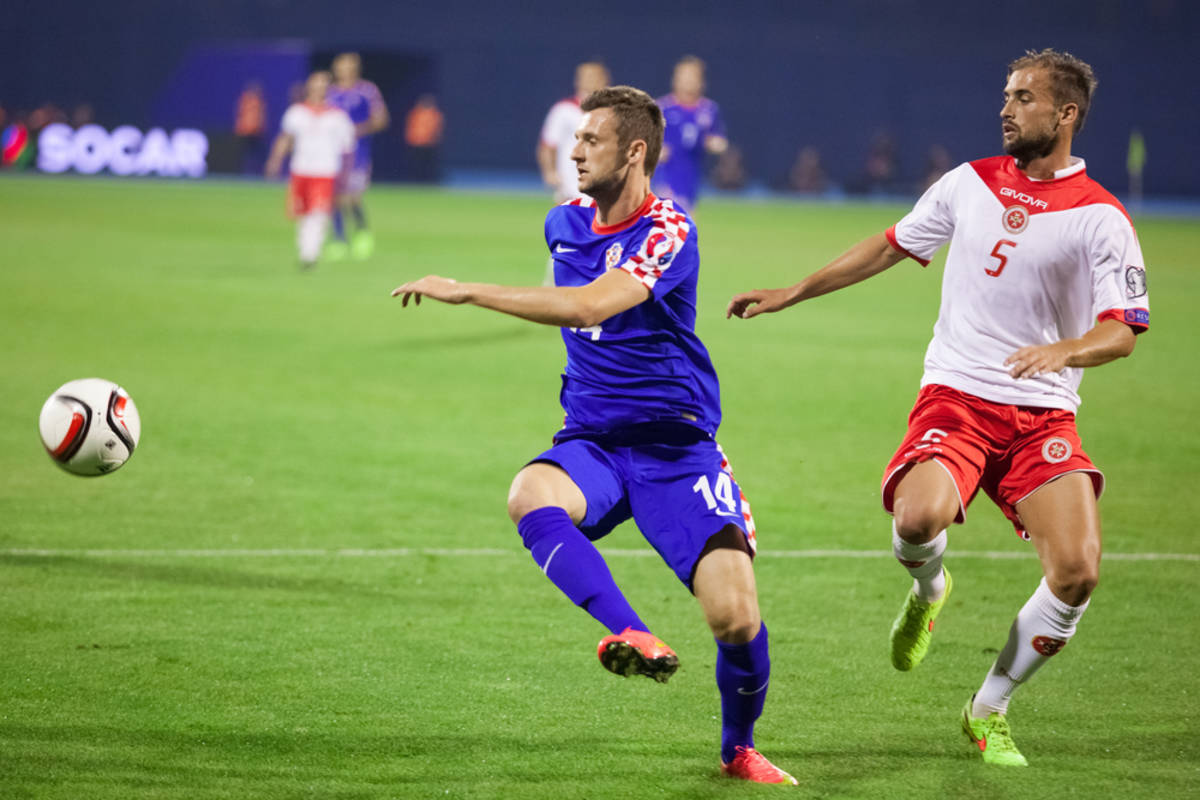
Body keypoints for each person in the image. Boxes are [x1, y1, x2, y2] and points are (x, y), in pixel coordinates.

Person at [727, 49, 1148, 767]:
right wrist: (793, 291)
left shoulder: (1102, 218)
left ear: (1066, 114)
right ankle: (930, 587)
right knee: (917, 519)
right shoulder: (969, 182)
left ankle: (989, 709)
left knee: (1078, 571)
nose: (1006, 108)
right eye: (1006, 95)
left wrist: (1066, 350)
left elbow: (1123, 331)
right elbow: (889, 247)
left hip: (1042, 413)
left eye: (1023, 98)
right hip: (958, 395)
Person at [393, 86, 796, 785]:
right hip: (595, 441)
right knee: (529, 492)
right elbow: (577, 311)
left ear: (634, 151)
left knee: (735, 619)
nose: (573, 151)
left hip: (676, 449)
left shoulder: (670, 230)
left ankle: (738, 749)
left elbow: (589, 306)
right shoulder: (562, 222)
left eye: (590, 140)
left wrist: (467, 289)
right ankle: (630, 629)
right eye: (575, 139)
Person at [265, 71, 355, 270]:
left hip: (326, 171)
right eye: (316, 83)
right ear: (309, 86)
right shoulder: (296, 112)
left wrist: (346, 174)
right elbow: (286, 137)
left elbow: (348, 147)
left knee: (319, 212)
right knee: (302, 212)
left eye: (324, 84)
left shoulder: (338, 116)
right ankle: (305, 249)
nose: (319, 88)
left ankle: (310, 254)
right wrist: (275, 160)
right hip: (301, 169)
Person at [326, 52, 389, 260]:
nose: (344, 70)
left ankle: (362, 232)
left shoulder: (367, 90)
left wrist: (355, 130)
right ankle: (339, 239)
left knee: (352, 197)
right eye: (341, 66)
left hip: (357, 153)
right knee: (335, 197)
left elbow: (381, 119)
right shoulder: (330, 93)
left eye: (349, 66)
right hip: (332, 153)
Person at [653, 56, 728, 213]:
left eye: (693, 76)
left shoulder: (709, 110)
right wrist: (656, 150)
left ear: (702, 81)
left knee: (687, 219)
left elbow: (720, 141)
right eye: (684, 76)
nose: (688, 81)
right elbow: (646, 141)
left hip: (692, 177)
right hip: (665, 177)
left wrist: (715, 144)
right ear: (675, 79)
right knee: (670, 218)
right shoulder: (662, 108)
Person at [537, 61, 611, 204]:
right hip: (570, 184)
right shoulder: (564, 110)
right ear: (578, 80)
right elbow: (548, 144)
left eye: (596, 76)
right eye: (587, 76)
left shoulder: (614, 112)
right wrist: (549, 172)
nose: (592, 81)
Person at [404, 94, 444, 183]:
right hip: (416, 143)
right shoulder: (416, 113)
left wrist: (435, 139)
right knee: (416, 163)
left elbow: (437, 128)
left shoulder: (434, 114)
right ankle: (416, 179)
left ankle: (428, 180)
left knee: (428, 164)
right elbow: (411, 127)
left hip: (429, 144)